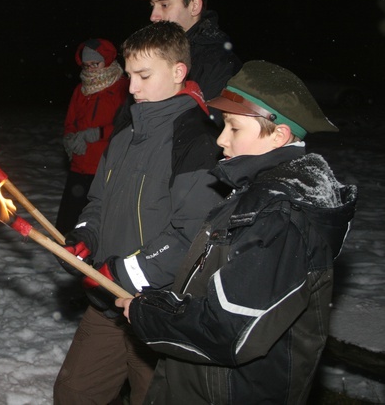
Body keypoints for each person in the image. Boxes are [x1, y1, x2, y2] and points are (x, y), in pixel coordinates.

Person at [115, 61, 357, 404]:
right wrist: (161, 304)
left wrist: (149, 316)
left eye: (234, 128)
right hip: (203, 383)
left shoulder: (280, 215)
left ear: (279, 135)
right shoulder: (255, 193)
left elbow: (229, 329)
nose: (220, 139)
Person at [53, 21, 225, 404]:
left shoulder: (197, 141)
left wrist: (124, 272)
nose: (132, 88)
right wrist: (85, 239)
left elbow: (194, 236)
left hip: (161, 312)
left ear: (179, 71)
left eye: (144, 76)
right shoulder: (126, 134)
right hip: (108, 306)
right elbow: (97, 203)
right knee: (73, 394)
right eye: (130, 75)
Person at [140, 0, 241, 124]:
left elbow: (208, 132)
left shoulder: (218, 62)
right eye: (152, 6)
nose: (154, 16)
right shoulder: (152, 53)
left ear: (194, 6)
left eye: (164, 5)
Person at [56, 38, 128, 235]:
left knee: (98, 224)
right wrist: (70, 139)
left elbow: (128, 126)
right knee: (67, 224)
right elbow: (70, 122)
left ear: (107, 60)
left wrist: (99, 133)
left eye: (95, 64)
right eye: (87, 65)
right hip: (79, 165)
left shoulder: (123, 88)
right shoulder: (80, 90)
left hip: (105, 168)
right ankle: (68, 257)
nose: (91, 69)